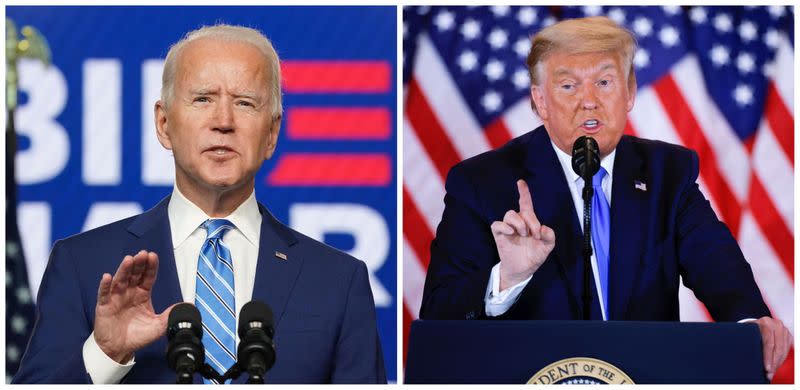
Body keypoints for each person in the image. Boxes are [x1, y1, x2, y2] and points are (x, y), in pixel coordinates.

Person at [419, 16, 790, 381]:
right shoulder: (482, 183)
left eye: (604, 82)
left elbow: (717, 266)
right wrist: (507, 278)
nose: (589, 101)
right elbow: (438, 316)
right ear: (540, 101)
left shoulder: (668, 172)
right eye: (568, 86)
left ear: (629, 93)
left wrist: (749, 325)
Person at [13, 24, 386, 384]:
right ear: (163, 124)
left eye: (244, 103)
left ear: (271, 134)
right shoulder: (83, 265)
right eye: (203, 99)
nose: (223, 121)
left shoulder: (338, 281)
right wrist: (106, 353)